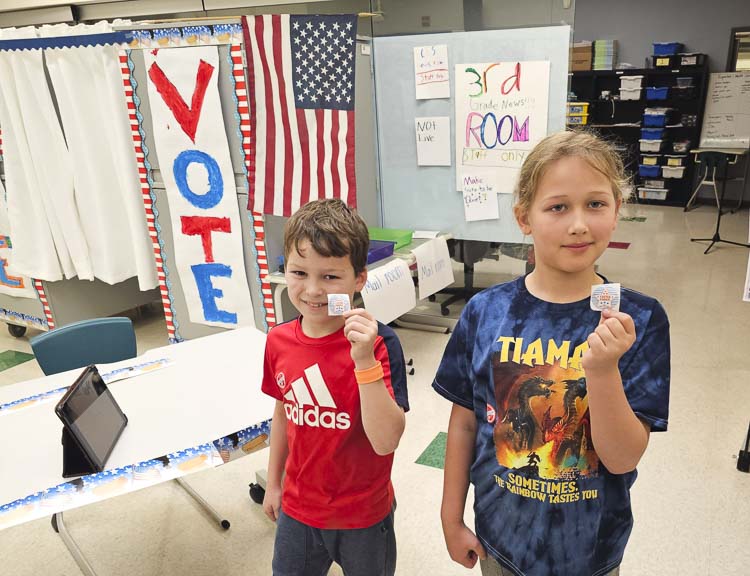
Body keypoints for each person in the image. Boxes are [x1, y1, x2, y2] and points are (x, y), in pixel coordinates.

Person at [434, 131, 671, 576]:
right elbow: (465, 422)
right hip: (500, 542)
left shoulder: (641, 319)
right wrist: (451, 517)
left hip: (590, 552)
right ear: (524, 217)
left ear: (617, 211)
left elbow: (621, 458)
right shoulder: (486, 312)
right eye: (558, 207)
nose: (579, 224)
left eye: (596, 204)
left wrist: (601, 371)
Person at [261, 198, 409, 576]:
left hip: (363, 513)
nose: (312, 290)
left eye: (330, 277)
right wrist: (273, 483)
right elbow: (282, 413)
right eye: (298, 273)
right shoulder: (278, 340)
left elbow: (386, 441)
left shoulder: (379, 344)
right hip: (298, 506)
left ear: (359, 279)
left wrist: (363, 361)